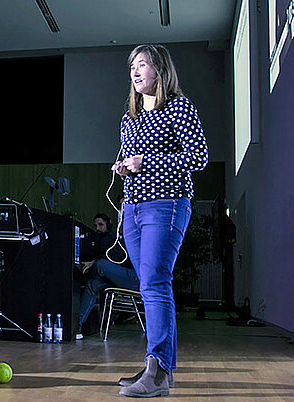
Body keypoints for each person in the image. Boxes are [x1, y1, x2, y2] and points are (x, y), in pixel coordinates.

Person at [114, 44, 208, 398]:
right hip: (134, 209)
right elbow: (132, 159)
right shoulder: (130, 117)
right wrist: (124, 168)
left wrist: (145, 164)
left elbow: (198, 157)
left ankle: (157, 371)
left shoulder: (179, 108)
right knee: (149, 286)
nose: (135, 72)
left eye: (143, 65)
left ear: (161, 70)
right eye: (132, 67)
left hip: (166, 206)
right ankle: (158, 368)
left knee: (155, 284)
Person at [76, 213, 138, 339]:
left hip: (134, 278)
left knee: (100, 265)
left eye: (101, 225)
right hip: (119, 277)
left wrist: (93, 263)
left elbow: (119, 259)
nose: (97, 228)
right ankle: (77, 326)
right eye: (95, 226)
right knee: (93, 285)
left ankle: (84, 278)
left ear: (108, 225)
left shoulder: (115, 238)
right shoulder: (101, 239)